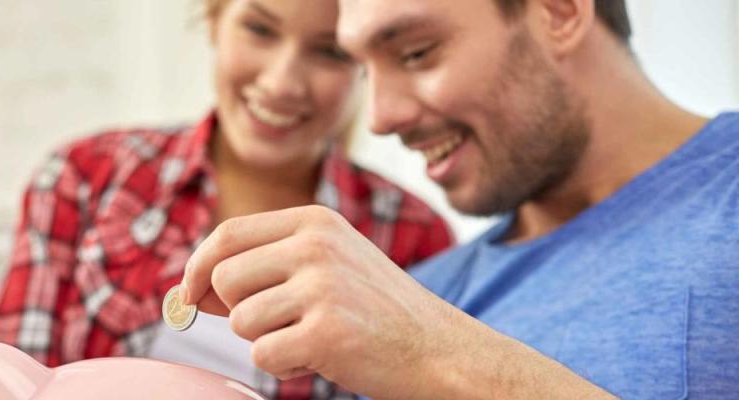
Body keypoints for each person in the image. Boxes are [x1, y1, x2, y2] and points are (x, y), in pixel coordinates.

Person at [182, 0, 739, 398]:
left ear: (560, 12)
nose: (379, 117)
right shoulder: (423, 294)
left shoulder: (420, 334)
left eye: (417, 52)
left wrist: (443, 362)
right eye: (362, 67)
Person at [0, 1, 453, 399]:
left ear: (363, 67)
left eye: (330, 52)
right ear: (215, 20)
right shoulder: (85, 176)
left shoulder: (411, 234)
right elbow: (11, 379)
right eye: (259, 28)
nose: (281, 83)